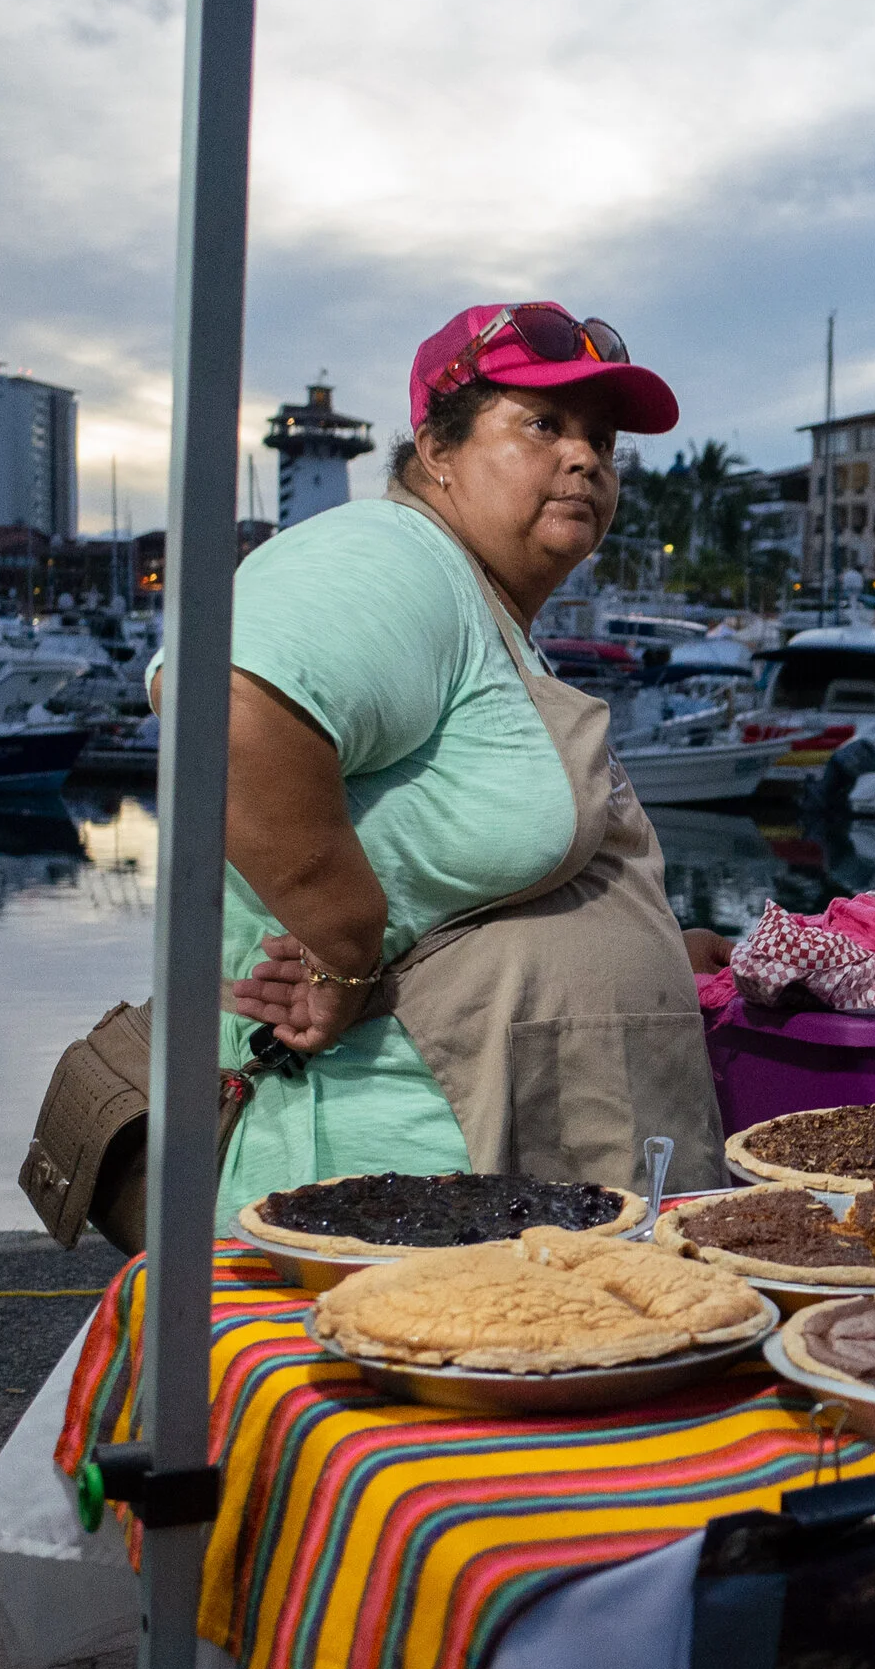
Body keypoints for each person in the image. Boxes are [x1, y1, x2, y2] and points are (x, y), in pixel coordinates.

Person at [164, 301, 730, 1222]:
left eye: (603, 441)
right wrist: (344, 944)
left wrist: (663, 945)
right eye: (542, 424)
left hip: (479, 1198)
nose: (584, 458)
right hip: (390, 1200)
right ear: (436, 449)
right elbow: (224, 699)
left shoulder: (483, 605)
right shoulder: (397, 554)